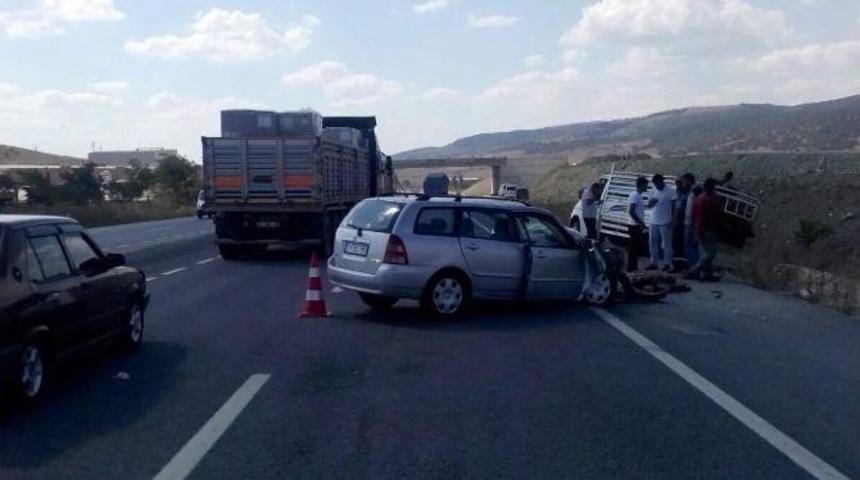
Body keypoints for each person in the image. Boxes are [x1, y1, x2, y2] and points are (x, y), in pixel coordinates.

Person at [688, 178, 720, 281]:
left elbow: (693, 215)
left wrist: (695, 228)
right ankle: (696, 269)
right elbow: (710, 216)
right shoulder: (709, 199)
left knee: (705, 251)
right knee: (711, 252)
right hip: (708, 229)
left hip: (700, 228)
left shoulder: (698, 198)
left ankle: (706, 273)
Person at [646, 173, 676, 272]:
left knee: (666, 244)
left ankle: (667, 263)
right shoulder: (653, 190)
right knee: (652, 242)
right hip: (653, 221)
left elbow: (674, 206)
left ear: (662, 182)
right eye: (655, 184)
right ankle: (653, 263)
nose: (656, 186)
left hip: (665, 221)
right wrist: (652, 201)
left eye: (658, 183)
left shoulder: (670, 190)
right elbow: (648, 205)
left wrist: (673, 219)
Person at [626, 176, 648, 272]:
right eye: (646, 184)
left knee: (637, 248)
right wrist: (641, 223)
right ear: (641, 185)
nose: (647, 186)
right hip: (634, 225)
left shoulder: (639, 195)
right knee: (634, 248)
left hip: (637, 225)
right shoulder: (634, 195)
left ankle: (634, 268)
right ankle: (631, 269)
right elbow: (631, 211)